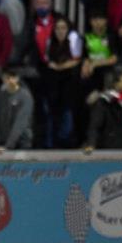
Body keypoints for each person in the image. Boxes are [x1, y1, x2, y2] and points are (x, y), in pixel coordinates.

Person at [43, 17, 82, 148]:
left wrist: (62, 66)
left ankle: (66, 142)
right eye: (57, 28)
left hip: (69, 84)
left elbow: (77, 60)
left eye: (63, 28)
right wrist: (54, 66)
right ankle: (50, 144)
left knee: (67, 115)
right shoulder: (50, 43)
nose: (60, 31)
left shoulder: (74, 41)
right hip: (53, 85)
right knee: (51, 114)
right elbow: (47, 61)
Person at [85, 71, 122, 150]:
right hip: (112, 149)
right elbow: (95, 126)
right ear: (115, 84)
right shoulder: (103, 103)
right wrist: (91, 144)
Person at [0, 68, 33, 151]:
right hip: (3, 142)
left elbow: (20, 122)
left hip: (21, 142)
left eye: (13, 77)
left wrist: (8, 145)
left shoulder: (25, 96)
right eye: (7, 77)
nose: (10, 80)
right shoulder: (0, 96)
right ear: (3, 78)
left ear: (18, 78)